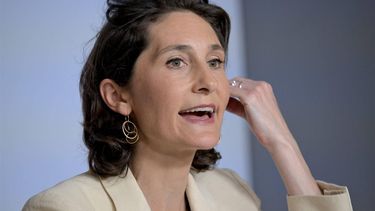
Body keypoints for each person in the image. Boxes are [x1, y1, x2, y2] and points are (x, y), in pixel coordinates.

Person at [23, 0, 353, 210]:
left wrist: (282, 143)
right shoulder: (65, 206)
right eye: (177, 62)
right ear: (119, 96)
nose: (208, 82)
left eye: (215, 61)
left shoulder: (232, 195)